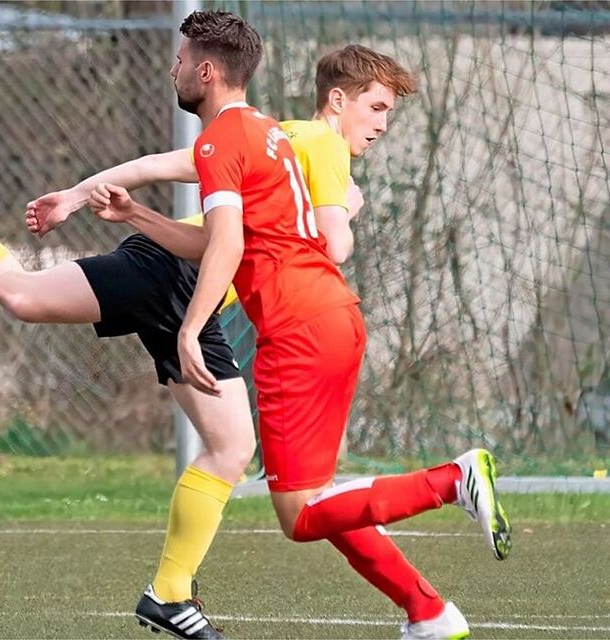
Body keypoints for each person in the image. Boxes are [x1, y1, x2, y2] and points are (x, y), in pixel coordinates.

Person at [72, 13, 512, 640]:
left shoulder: (288, 137)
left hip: (298, 329)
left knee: (301, 515)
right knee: (319, 498)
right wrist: (132, 211)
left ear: (205, 70)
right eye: (377, 107)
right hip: (332, 320)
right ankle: (428, 612)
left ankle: (454, 480)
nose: (382, 124)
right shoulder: (271, 136)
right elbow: (221, 231)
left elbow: (313, 241)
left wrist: (192, 325)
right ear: (338, 100)